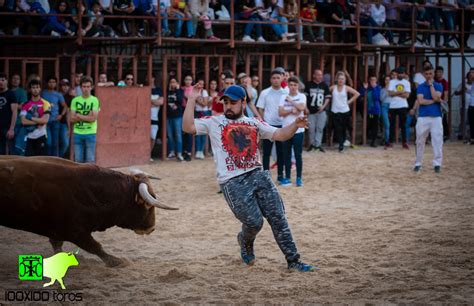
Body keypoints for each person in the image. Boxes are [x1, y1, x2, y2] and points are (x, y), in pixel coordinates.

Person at [182, 84, 316, 272]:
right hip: (233, 182)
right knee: (254, 222)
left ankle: (293, 261)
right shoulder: (214, 122)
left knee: (278, 217)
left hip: (258, 175)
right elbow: (188, 127)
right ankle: (245, 241)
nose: (228, 106)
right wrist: (191, 99)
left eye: (233, 102)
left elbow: (279, 134)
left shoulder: (254, 123)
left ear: (244, 102)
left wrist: (294, 125)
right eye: (226, 102)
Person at [256, 69, 287, 184]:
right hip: (268, 126)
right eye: (273, 78)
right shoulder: (265, 92)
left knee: (281, 152)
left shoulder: (285, 93)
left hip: (281, 126)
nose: (275, 80)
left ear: (282, 79)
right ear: (270, 79)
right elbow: (260, 108)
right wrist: (264, 123)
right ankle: (266, 176)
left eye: (278, 78)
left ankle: (280, 175)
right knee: (266, 152)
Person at [413, 66, 444, 173]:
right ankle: (418, 163)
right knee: (419, 140)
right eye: (426, 74)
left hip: (436, 117)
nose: (428, 76)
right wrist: (434, 101)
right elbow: (421, 101)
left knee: (437, 140)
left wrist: (431, 86)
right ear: (424, 74)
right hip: (423, 116)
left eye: (430, 74)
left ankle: (437, 164)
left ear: (433, 74)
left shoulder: (438, 85)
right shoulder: (420, 87)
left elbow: (436, 97)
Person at [279, 76, 306, 187]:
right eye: (291, 85)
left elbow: (302, 107)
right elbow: (280, 112)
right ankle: (288, 177)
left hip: (299, 130)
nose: (293, 87)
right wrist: (291, 110)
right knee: (286, 154)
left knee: (298, 154)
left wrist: (291, 102)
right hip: (286, 129)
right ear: (288, 85)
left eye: (295, 85)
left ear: (298, 86)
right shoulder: (283, 96)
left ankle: (299, 178)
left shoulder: (302, 96)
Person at [70, 76, 100, 163]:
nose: (86, 89)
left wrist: (79, 115)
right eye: (84, 86)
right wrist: (87, 116)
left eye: (88, 87)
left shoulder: (95, 100)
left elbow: (93, 119)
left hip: (90, 133)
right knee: (78, 161)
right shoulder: (75, 100)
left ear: (91, 87)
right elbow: (71, 119)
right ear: (80, 87)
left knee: (90, 160)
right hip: (77, 133)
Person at [330, 71, 360, 153]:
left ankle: (343, 143)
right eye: (339, 79)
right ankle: (341, 145)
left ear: (345, 80)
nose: (340, 80)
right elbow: (327, 94)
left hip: (345, 111)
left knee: (344, 128)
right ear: (337, 79)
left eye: (342, 79)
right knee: (338, 129)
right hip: (335, 111)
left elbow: (357, 94)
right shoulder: (333, 88)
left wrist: (349, 101)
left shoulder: (346, 88)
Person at [20, 79, 50, 156]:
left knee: (42, 164)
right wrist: (38, 122)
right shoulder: (25, 104)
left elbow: (45, 120)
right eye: (33, 87)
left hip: (41, 136)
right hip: (29, 137)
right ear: (30, 89)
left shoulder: (46, 103)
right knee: (28, 163)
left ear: (40, 89)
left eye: (37, 87)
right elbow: (23, 121)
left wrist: (30, 118)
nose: (35, 90)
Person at [305, 69, 331, 152]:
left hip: (321, 111)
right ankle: (312, 144)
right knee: (311, 129)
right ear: (314, 75)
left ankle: (318, 145)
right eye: (318, 75)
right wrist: (305, 108)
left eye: (321, 75)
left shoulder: (324, 85)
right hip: (311, 111)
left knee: (320, 128)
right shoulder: (308, 84)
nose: (320, 77)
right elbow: (304, 98)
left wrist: (323, 107)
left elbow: (327, 98)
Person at [41, 76, 67, 156]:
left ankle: (55, 161)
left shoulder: (58, 94)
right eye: (50, 82)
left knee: (55, 143)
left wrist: (61, 115)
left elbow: (65, 106)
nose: (52, 84)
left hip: (55, 121)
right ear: (47, 83)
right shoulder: (43, 93)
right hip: (45, 122)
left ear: (56, 83)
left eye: (53, 82)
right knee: (48, 143)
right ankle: (48, 161)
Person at [387, 66, 410, 149]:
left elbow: (407, 95)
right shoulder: (392, 82)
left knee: (403, 125)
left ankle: (404, 142)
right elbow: (390, 93)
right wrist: (401, 92)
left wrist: (395, 93)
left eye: (402, 73)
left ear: (404, 74)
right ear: (397, 74)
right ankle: (390, 142)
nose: (400, 75)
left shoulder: (407, 83)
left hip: (403, 106)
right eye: (399, 73)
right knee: (391, 125)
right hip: (393, 106)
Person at [359, 76, 381, 147]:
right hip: (367, 111)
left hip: (375, 110)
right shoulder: (367, 88)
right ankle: (364, 140)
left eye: (374, 80)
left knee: (375, 125)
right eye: (371, 80)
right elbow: (360, 95)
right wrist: (364, 88)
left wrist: (374, 88)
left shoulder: (378, 88)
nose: (372, 81)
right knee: (367, 125)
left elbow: (377, 97)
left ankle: (374, 141)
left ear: (376, 81)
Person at [166, 77, 185, 161]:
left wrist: (177, 90)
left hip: (177, 116)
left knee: (178, 135)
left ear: (177, 83)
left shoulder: (180, 91)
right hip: (169, 116)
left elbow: (180, 100)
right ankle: (171, 152)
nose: (172, 84)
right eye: (171, 82)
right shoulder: (167, 91)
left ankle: (179, 153)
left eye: (174, 82)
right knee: (170, 135)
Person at [0, 73, 18, 155]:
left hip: (7, 128)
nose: (1, 82)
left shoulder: (11, 94)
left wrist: (11, 129)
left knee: (11, 151)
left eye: (3, 80)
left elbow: (14, 111)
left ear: (7, 81)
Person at [193, 78, 210, 159]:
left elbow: (204, 103)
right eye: (199, 84)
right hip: (197, 112)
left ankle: (201, 151)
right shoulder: (194, 92)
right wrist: (200, 100)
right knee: (197, 132)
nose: (200, 86)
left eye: (202, 84)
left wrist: (197, 99)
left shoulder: (205, 92)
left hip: (204, 113)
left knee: (203, 133)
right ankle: (198, 151)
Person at [434, 66, 450, 141]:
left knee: (443, 119)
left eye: (440, 72)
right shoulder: (433, 81)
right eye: (438, 72)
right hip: (434, 102)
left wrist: (444, 103)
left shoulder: (444, 82)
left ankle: (445, 135)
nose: (439, 74)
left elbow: (446, 93)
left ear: (442, 73)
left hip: (441, 102)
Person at [58, 78, 72, 157]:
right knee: (54, 143)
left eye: (67, 85)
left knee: (65, 144)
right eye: (63, 85)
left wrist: (69, 127)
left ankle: (59, 158)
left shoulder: (69, 97)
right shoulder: (56, 95)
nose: (65, 87)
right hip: (55, 122)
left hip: (64, 123)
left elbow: (69, 113)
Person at [150, 75, 163, 160]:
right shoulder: (145, 88)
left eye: (151, 77)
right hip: (145, 118)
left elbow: (161, 102)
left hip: (154, 118)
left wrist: (150, 101)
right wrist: (155, 101)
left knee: (153, 137)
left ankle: (149, 154)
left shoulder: (159, 90)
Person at [380, 74, 393, 147]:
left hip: (392, 107)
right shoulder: (382, 89)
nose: (387, 81)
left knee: (391, 125)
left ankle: (389, 140)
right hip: (384, 106)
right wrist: (387, 91)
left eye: (389, 80)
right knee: (387, 125)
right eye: (386, 80)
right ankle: (387, 141)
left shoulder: (393, 89)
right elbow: (381, 99)